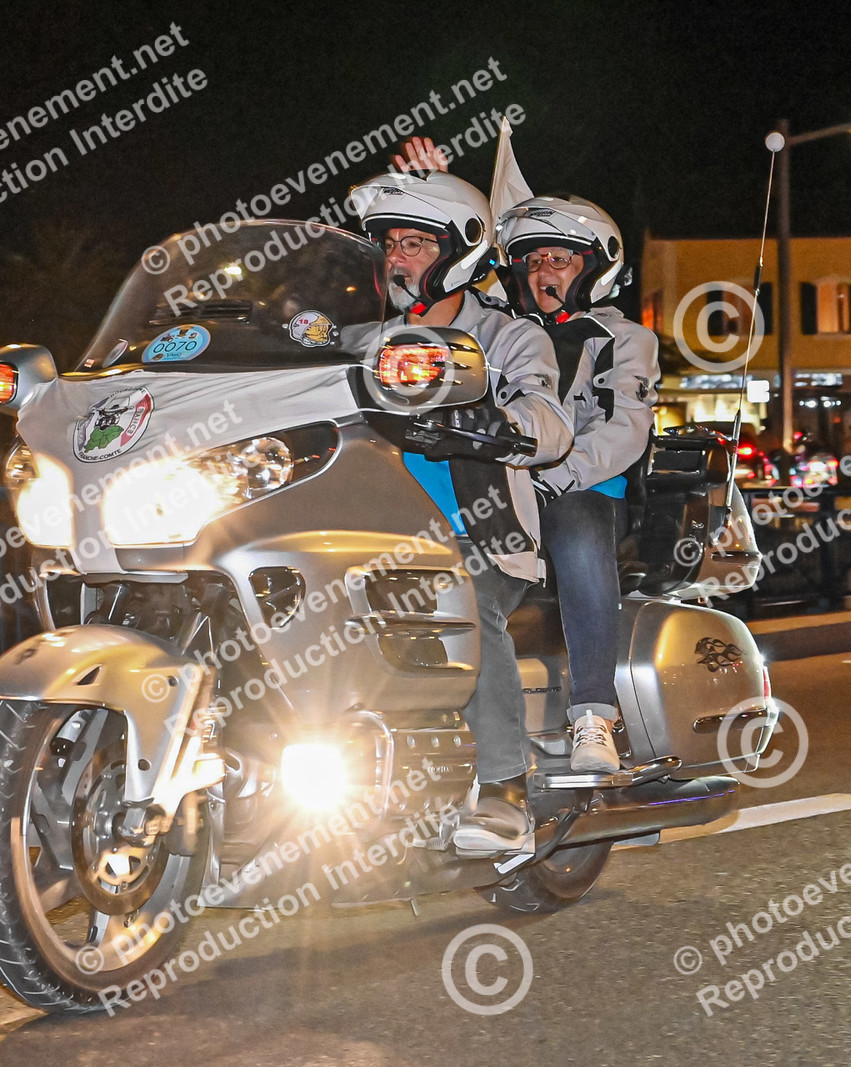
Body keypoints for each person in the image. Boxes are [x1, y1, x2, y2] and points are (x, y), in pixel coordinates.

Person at [349, 170, 573, 853]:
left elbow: (549, 419)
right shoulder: (362, 341)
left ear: (460, 251)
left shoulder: (507, 338)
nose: (397, 258)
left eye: (416, 243)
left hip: (480, 537)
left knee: (465, 602)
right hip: (370, 540)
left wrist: (493, 425)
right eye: (390, 243)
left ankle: (506, 791)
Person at [496, 196, 661, 772]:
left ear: (594, 267)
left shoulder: (624, 339)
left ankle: (594, 714)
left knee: (576, 529)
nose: (543, 271)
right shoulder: (504, 335)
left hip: (589, 490)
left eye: (559, 259)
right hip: (501, 486)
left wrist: (553, 479)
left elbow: (624, 429)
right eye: (532, 261)